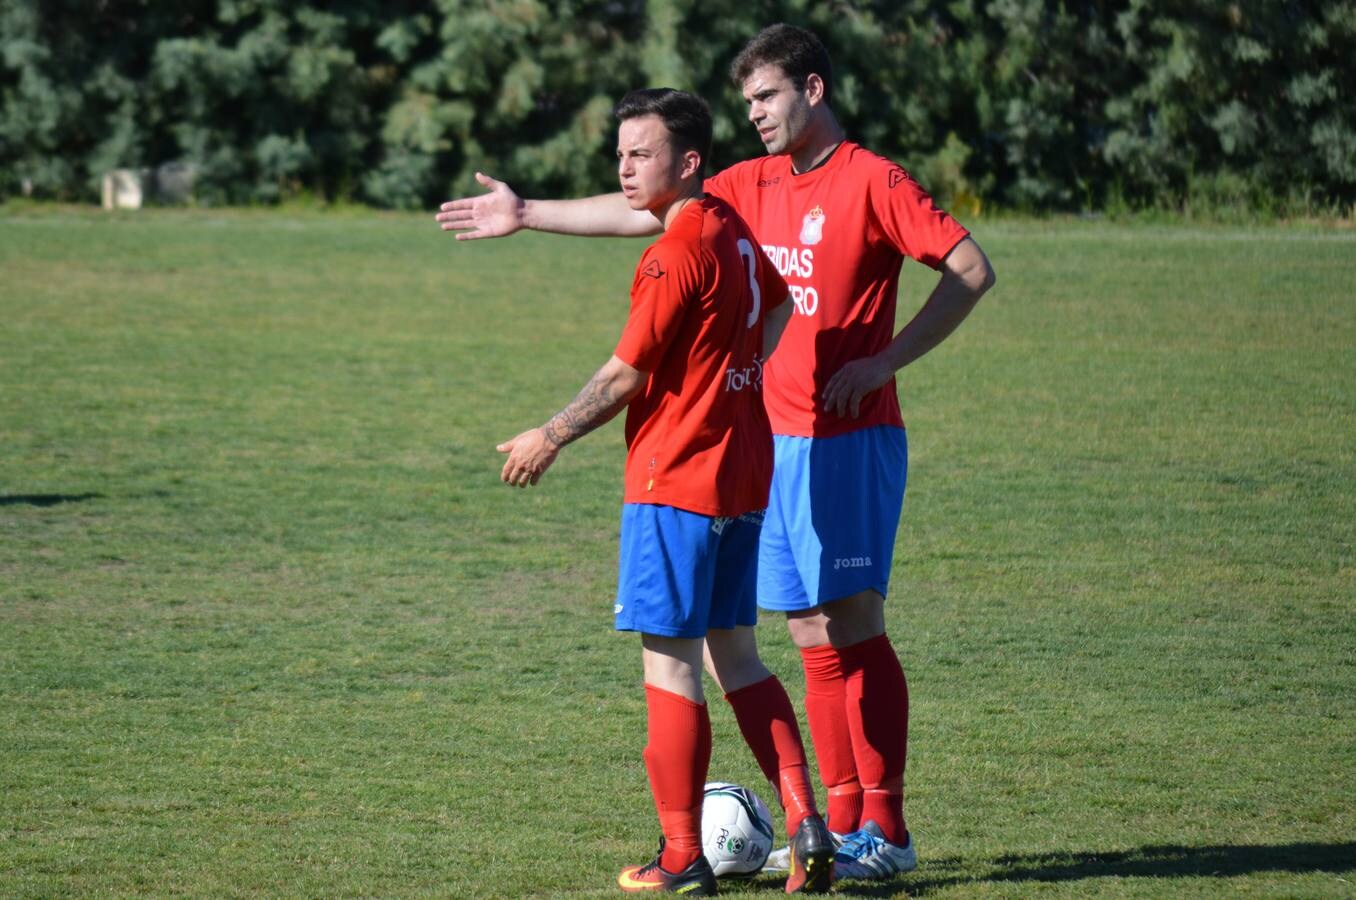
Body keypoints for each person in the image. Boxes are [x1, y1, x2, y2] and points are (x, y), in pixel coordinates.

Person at [438, 25, 996, 883]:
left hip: (848, 434)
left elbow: (969, 269)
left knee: (853, 622)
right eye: (745, 103)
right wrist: (528, 213)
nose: (756, 116)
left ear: (812, 89)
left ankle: (884, 826)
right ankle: (835, 827)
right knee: (802, 627)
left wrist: (882, 361)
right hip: (768, 444)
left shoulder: (873, 180)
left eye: (767, 97)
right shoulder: (743, 186)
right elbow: (646, 212)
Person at [490, 87, 836, 895]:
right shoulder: (733, 232)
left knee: (671, 668)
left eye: (640, 153)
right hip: (744, 474)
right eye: (620, 153)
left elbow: (623, 373)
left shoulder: (673, 254)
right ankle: (806, 822)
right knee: (739, 658)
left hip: (675, 480)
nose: (624, 166)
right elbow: (779, 309)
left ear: (686, 161)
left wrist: (550, 434)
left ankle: (682, 858)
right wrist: (733, 380)